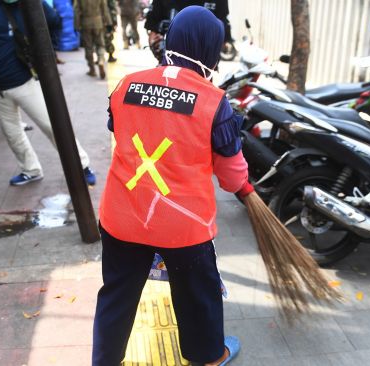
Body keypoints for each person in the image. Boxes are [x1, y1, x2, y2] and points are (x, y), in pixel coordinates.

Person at [92, 6, 251, 365]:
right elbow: (231, 177)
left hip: (122, 217)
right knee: (198, 294)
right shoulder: (214, 101)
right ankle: (209, 355)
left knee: (116, 295)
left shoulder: (126, 86)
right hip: (183, 225)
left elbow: (120, 131)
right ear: (212, 49)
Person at [0, 0, 96, 186]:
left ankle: (82, 166)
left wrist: (46, 51)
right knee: (13, 133)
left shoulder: (31, 3)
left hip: (25, 80)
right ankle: (30, 170)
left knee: (53, 125)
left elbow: (55, 22)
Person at [144, 0, 231, 62]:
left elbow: (223, 24)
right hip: (168, 62)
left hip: (203, 67)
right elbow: (153, 29)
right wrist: (157, 45)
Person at [74, 0, 113, 79]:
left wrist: (76, 25)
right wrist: (109, 23)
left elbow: (76, 10)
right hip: (98, 22)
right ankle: (101, 60)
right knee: (101, 45)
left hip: (85, 23)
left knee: (88, 47)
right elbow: (105, 9)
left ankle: (92, 70)